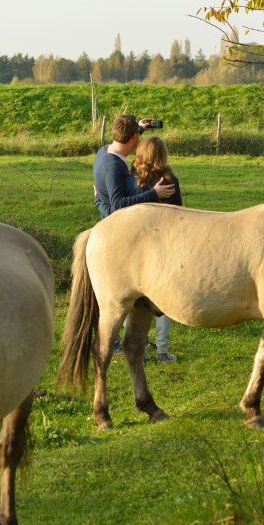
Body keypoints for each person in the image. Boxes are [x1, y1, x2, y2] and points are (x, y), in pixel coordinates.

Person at [92, 114, 176, 361]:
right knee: (121, 294)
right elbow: (118, 205)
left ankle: (138, 340)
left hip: (118, 230)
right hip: (119, 235)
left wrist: (138, 127)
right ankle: (119, 344)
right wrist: (153, 193)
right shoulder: (114, 166)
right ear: (133, 140)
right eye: (137, 135)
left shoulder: (103, 151)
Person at [130, 136, 183, 362]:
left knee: (134, 298)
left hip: (139, 245)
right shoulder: (169, 179)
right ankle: (162, 350)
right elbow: (180, 213)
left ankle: (139, 348)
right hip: (164, 244)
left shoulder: (134, 179)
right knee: (163, 299)